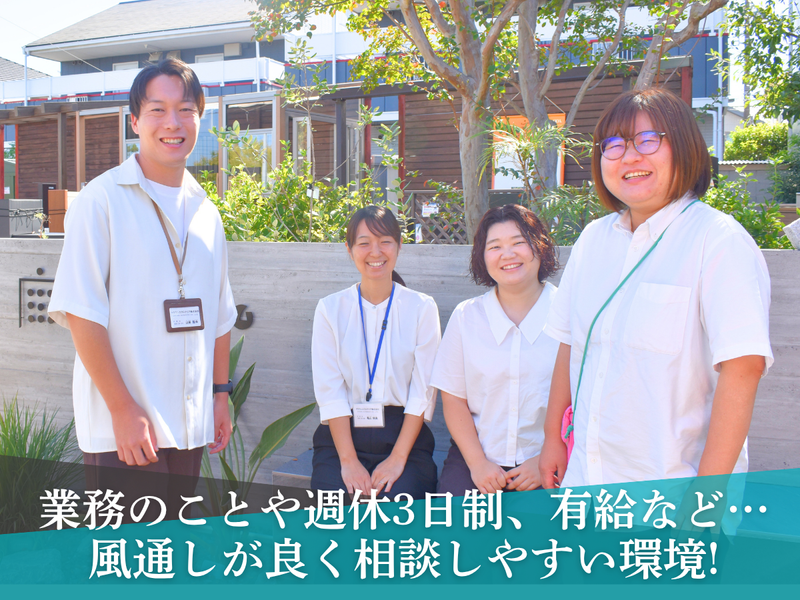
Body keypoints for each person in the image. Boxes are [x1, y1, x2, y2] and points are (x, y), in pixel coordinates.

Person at [539, 88, 773, 490]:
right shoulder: (594, 239)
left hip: (672, 493)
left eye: (648, 140)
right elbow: (569, 344)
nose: (629, 157)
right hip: (584, 481)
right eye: (614, 145)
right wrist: (552, 440)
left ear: (684, 147)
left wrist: (706, 498)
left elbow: (743, 368)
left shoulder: (718, 240)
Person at [48, 59, 237, 517]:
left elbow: (219, 314)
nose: (173, 122)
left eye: (185, 109)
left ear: (200, 118)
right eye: (157, 110)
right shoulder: (101, 200)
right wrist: (122, 409)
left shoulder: (206, 211)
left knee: (172, 549)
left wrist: (220, 395)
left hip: (188, 425)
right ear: (134, 121)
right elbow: (81, 313)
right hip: (126, 428)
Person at [310, 205, 440, 499]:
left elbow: (423, 391)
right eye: (364, 243)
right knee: (335, 504)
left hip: (404, 436)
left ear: (399, 246)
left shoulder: (422, 308)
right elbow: (330, 391)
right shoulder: (330, 309)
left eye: (385, 241)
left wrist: (397, 459)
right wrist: (348, 461)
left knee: (400, 504)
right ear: (349, 249)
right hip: (342, 437)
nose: (376, 252)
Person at [431, 205, 560, 495]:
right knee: (453, 522)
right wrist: (478, 464)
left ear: (540, 246)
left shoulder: (568, 314)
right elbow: (453, 399)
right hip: (476, 458)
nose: (507, 254)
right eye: (495, 246)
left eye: (518, 242)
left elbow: (584, 400)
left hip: (550, 459)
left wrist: (545, 458)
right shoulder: (466, 317)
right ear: (482, 256)